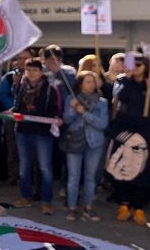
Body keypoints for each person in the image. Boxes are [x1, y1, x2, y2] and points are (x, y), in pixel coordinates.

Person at [12, 58, 61, 214]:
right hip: (22, 132)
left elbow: (54, 110)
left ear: (41, 72)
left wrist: (56, 119)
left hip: (42, 134)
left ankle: (46, 201)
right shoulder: (21, 87)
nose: (32, 73)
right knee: (24, 167)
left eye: (35, 70)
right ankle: (25, 197)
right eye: (29, 70)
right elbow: (17, 107)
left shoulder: (49, 89)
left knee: (45, 167)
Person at [109, 53, 150, 225]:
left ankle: (139, 206)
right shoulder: (122, 80)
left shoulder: (149, 83)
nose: (135, 67)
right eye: (133, 64)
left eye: (139, 65)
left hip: (142, 127)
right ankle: (123, 204)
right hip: (123, 126)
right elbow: (121, 97)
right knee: (120, 166)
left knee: (142, 168)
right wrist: (127, 77)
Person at [63, 70, 109, 221]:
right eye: (87, 81)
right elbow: (67, 120)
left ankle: (88, 207)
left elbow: (102, 124)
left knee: (90, 177)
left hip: (94, 143)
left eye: (93, 81)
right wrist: (72, 108)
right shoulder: (71, 98)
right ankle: (71, 208)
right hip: (75, 140)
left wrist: (84, 113)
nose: (91, 84)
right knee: (73, 177)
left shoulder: (102, 102)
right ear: (80, 83)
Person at [0, 48, 33, 185]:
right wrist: (14, 108)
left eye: (25, 58)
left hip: (31, 119)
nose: (22, 61)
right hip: (13, 118)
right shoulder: (8, 77)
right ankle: (13, 175)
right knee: (13, 149)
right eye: (19, 58)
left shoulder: (37, 76)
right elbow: (3, 95)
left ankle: (30, 179)